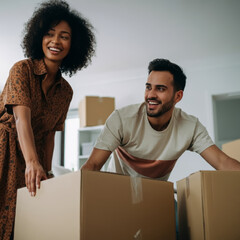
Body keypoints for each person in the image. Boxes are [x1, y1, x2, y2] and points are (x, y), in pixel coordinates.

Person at [0, 0, 96, 239]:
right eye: (49, 34)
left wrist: (49, 171)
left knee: (22, 225)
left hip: (32, 158)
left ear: (73, 44)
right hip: (4, 151)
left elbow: (50, 133)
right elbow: (21, 119)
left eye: (64, 36)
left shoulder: (66, 91)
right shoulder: (21, 69)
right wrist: (33, 163)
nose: (55, 41)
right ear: (39, 37)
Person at [82, 58, 240, 177]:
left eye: (160, 89)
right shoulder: (122, 119)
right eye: (148, 87)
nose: (151, 95)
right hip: (118, 193)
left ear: (178, 96)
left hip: (154, 197)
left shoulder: (190, 126)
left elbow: (221, 161)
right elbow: (93, 165)